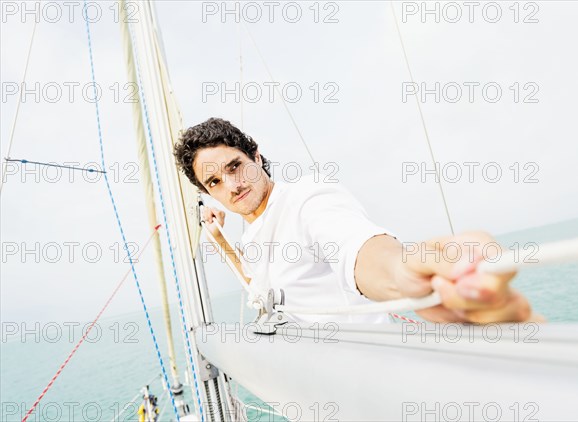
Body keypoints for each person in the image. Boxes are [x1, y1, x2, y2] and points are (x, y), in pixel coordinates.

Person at [174, 117, 537, 324]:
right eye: (215, 182)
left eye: (235, 166)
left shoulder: (306, 199)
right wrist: (219, 239)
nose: (233, 185)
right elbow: (257, 284)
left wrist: (404, 275)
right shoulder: (251, 235)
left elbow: (356, 248)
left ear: (255, 155)